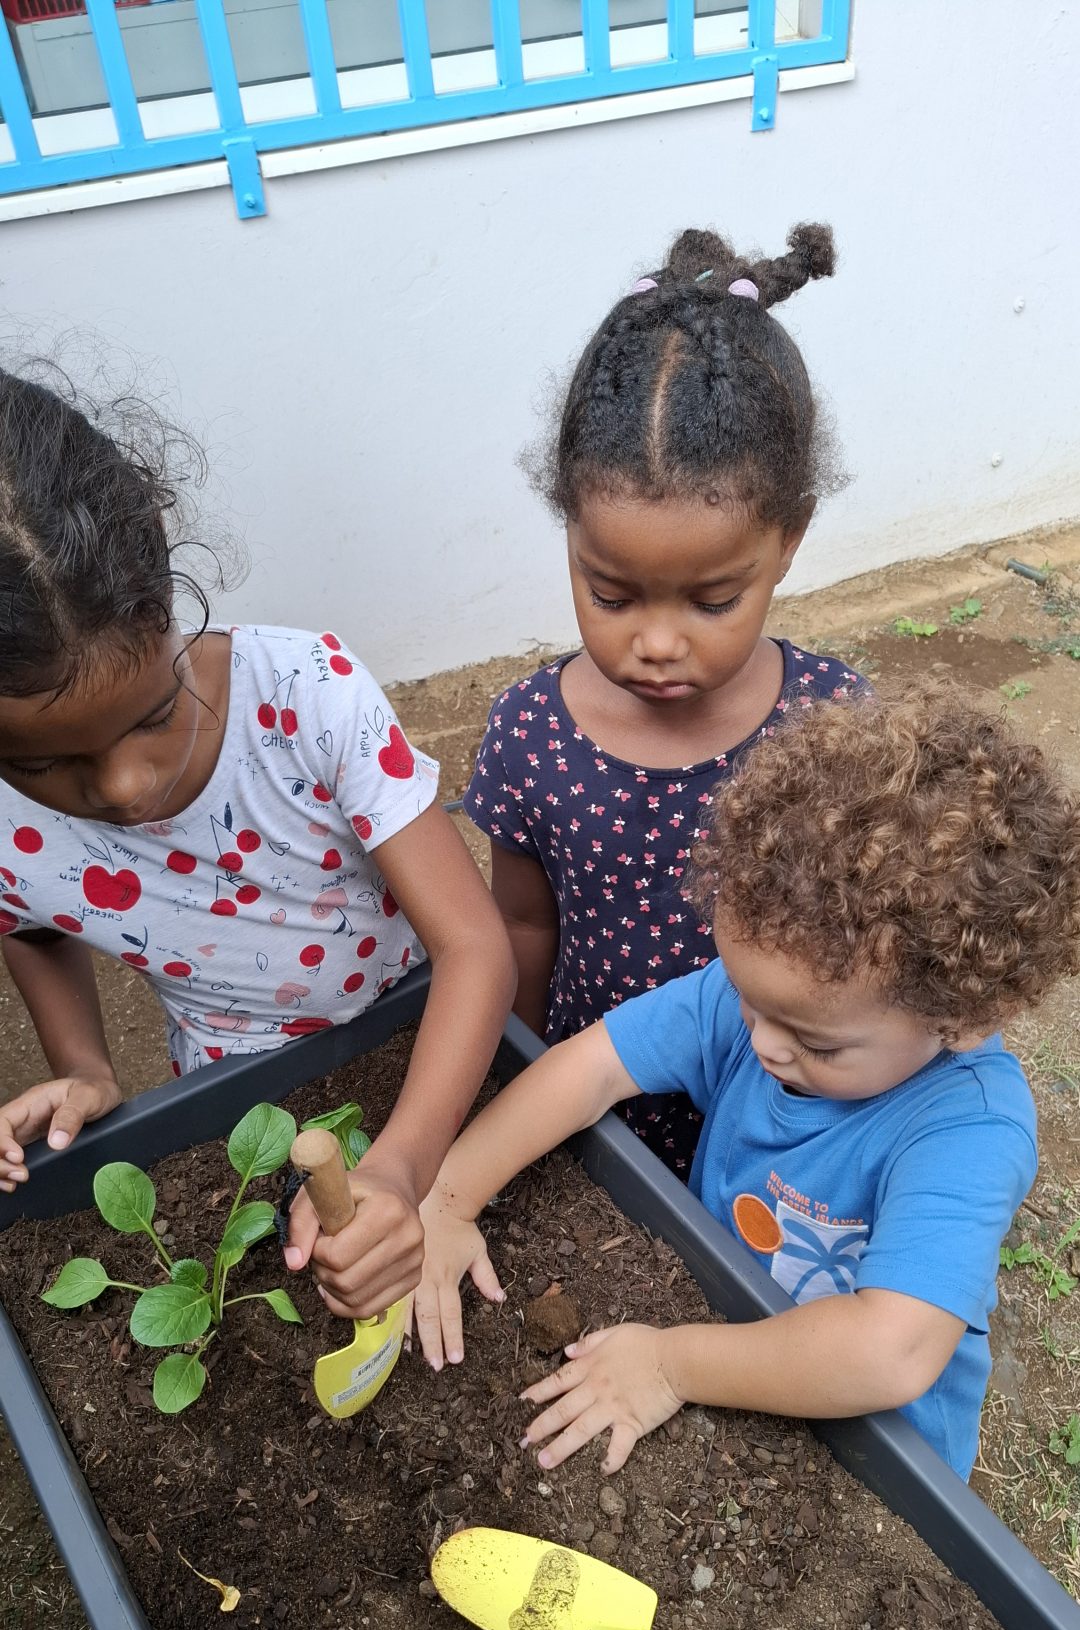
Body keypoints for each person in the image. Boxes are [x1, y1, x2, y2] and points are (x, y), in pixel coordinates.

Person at [418, 690, 1080, 1479]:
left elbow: (890, 1351)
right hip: (730, 1321)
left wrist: (669, 1366)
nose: (761, 1042)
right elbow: (590, 1066)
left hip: (878, 1454)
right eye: (747, 997)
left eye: (815, 1042)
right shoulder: (771, 1001)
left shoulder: (968, 1129)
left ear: (965, 1015)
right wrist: (449, 1198)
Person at [0, 367, 514, 1309]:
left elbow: (476, 948)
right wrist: (83, 1068)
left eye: (151, 715)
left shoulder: (309, 696)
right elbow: (30, 919)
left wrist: (401, 1169)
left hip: (417, 1035)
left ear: (156, 564)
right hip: (227, 1090)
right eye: (44, 768)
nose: (122, 787)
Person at [464, 221, 865, 1185]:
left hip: (770, 1113)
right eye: (610, 593)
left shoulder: (836, 727)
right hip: (586, 1102)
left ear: (789, 541)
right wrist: (506, 1079)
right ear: (571, 535)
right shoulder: (530, 733)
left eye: (712, 599)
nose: (655, 641)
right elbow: (522, 926)